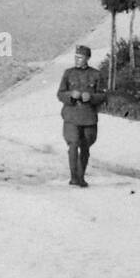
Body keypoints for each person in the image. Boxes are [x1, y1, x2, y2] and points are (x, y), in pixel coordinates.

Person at [57, 45, 105, 187]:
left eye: (80, 58)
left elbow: (103, 95)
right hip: (71, 115)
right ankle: (74, 177)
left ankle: (81, 177)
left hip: (88, 117)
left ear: (87, 58)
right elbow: (60, 93)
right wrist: (70, 95)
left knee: (85, 147)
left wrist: (90, 97)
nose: (77, 60)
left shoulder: (96, 75)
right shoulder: (68, 73)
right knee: (73, 144)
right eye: (76, 57)